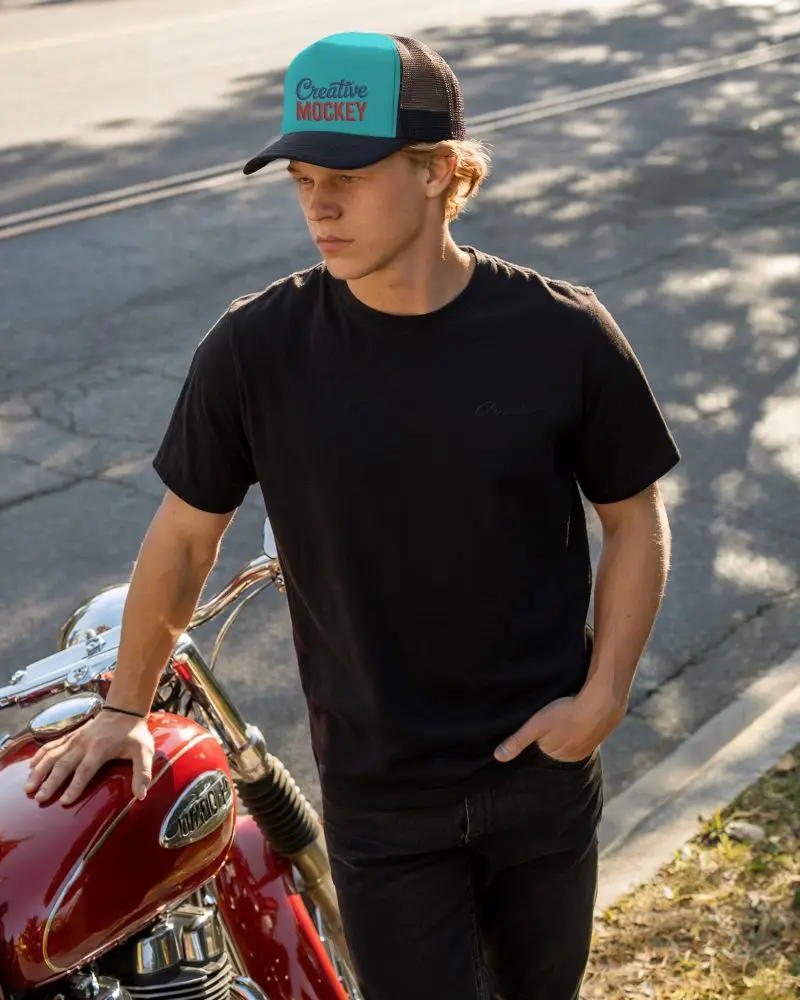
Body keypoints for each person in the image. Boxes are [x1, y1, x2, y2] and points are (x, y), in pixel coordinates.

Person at [25, 31, 680, 1000]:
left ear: (440, 173)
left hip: (539, 772)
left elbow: (632, 519)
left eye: (348, 172)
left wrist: (602, 697)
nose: (318, 202)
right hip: (381, 795)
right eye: (299, 176)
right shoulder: (257, 349)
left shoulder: (559, 332)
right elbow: (183, 537)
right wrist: (125, 706)